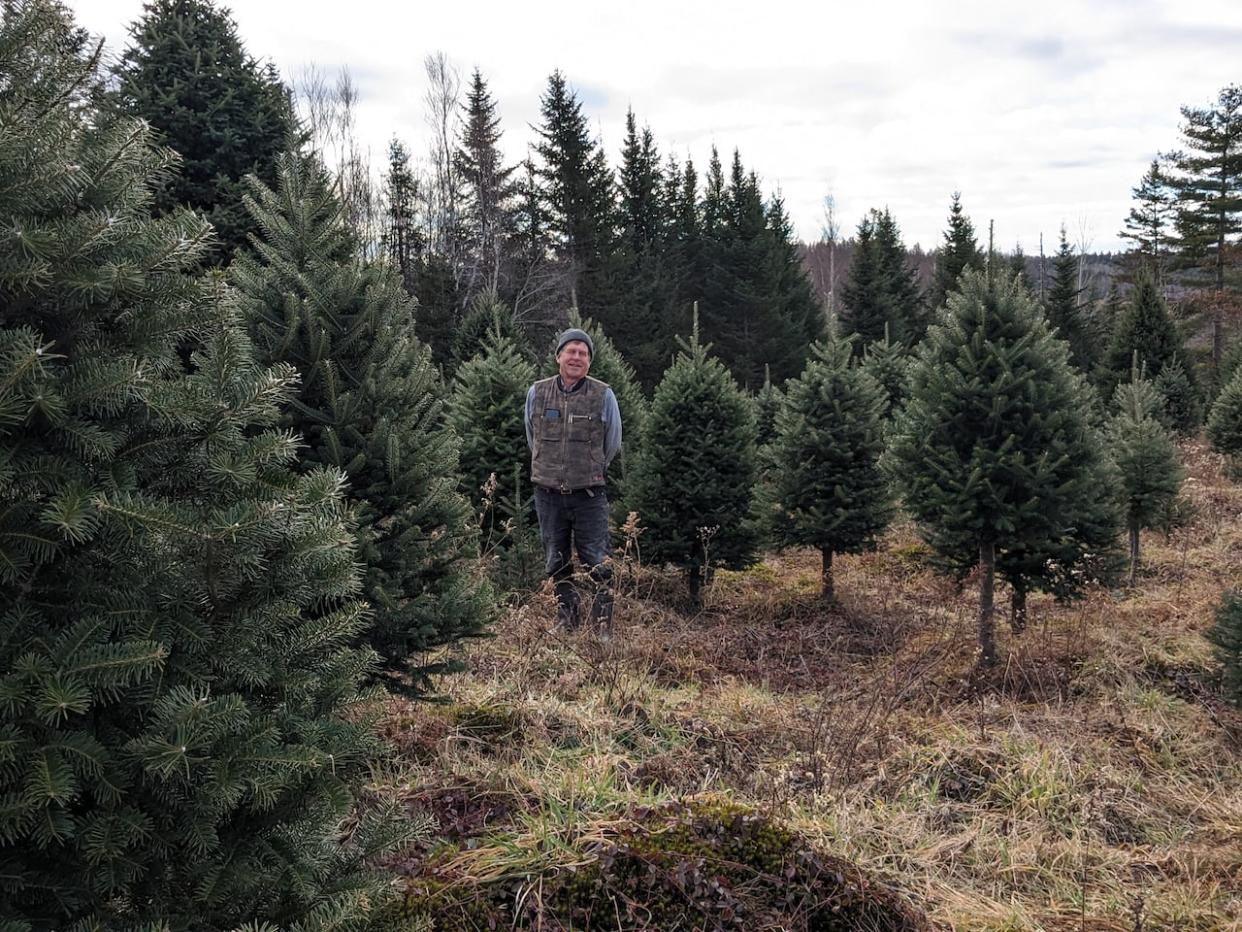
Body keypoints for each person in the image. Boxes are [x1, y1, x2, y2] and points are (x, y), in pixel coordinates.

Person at [525, 328, 622, 634]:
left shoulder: (602, 394)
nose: (577, 357)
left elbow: (613, 442)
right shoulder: (537, 393)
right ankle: (567, 620)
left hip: (588, 494)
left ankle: (602, 627)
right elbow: (533, 437)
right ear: (558, 357)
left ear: (589, 362)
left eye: (583, 353)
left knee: (598, 561)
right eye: (571, 351)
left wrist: (592, 467)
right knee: (556, 559)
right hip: (548, 493)